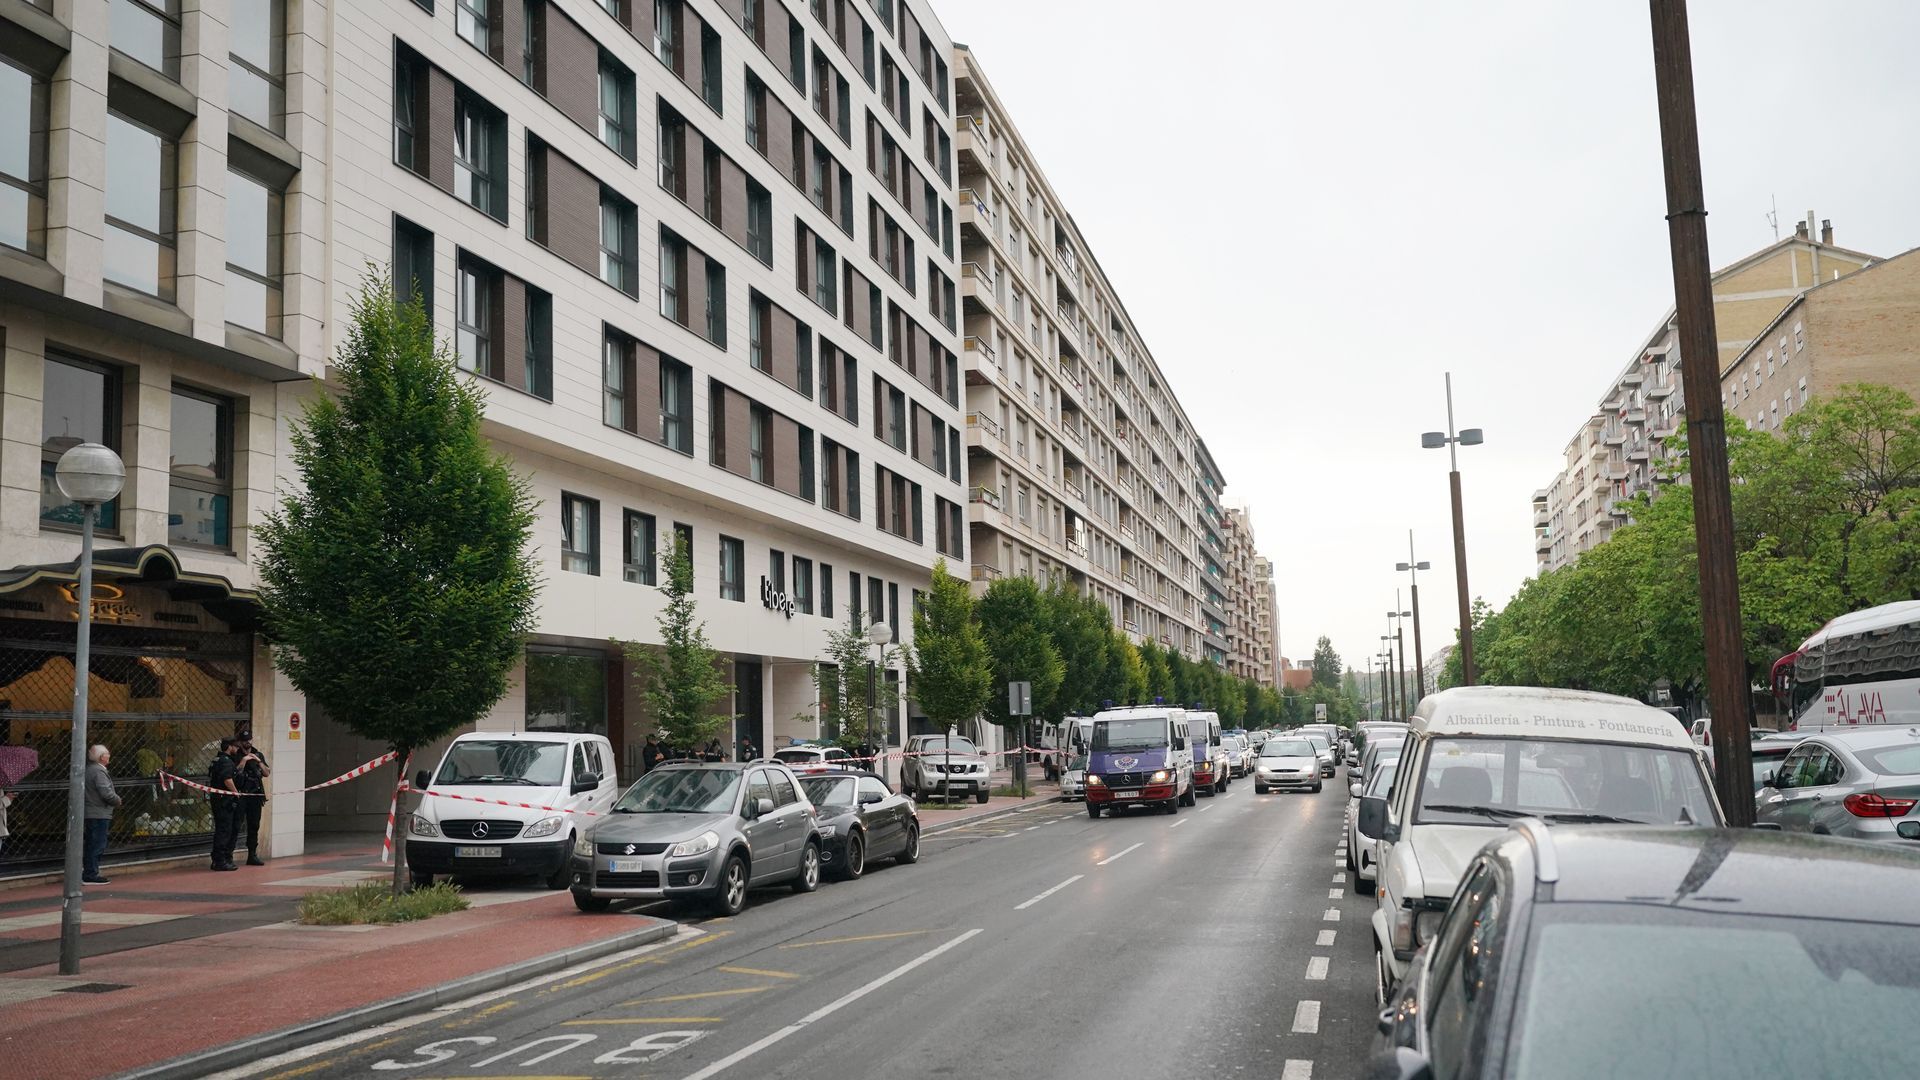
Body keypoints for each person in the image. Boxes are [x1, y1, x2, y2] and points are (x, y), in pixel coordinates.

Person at [83, 744, 120, 884]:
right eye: (107, 754)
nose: (109, 756)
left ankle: (89, 871)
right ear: (101, 757)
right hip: (98, 812)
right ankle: (91, 874)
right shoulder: (98, 771)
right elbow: (105, 792)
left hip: (93, 811)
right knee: (97, 843)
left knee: (92, 842)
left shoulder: (90, 769)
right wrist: (117, 800)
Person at [236, 734, 271, 865]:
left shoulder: (258, 755)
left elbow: (267, 773)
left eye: (249, 740)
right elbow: (234, 773)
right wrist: (243, 761)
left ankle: (252, 855)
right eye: (244, 741)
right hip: (241, 795)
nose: (247, 743)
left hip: (255, 795)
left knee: (254, 825)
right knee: (236, 824)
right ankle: (227, 856)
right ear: (240, 742)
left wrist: (258, 761)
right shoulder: (237, 755)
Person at [208, 738, 242, 871]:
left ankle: (217, 860)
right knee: (224, 830)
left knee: (221, 830)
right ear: (230, 747)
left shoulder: (217, 759)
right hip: (224, 801)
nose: (238, 749)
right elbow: (227, 780)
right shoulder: (226, 761)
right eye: (236, 746)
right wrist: (236, 793)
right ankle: (220, 861)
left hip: (218, 799)